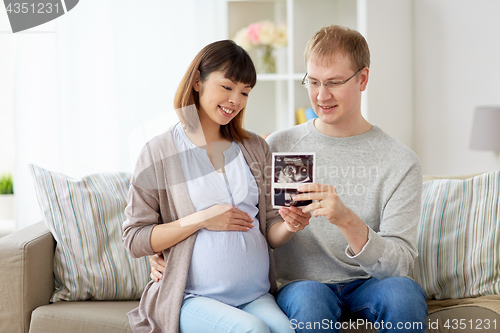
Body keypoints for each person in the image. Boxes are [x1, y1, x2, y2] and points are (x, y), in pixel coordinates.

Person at [150, 25, 428, 332]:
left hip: (371, 284)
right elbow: (237, 211)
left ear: (362, 79)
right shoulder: (278, 145)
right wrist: (166, 256)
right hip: (302, 285)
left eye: (334, 82)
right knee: (308, 300)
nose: (322, 95)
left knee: (404, 294)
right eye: (313, 82)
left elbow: (399, 266)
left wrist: (347, 220)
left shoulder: (399, 161)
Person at [123, 40, 302, 333]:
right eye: (227, 87)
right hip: (192, 298)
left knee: (286, 331)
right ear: (197, 81)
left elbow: (270, 229)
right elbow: (134, 238)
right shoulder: (159, 151)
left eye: (245, 92)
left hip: (253, 295)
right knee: (253, 330)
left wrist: (291, 224)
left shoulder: (255, 147)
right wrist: (203, 218)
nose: (236, 100)